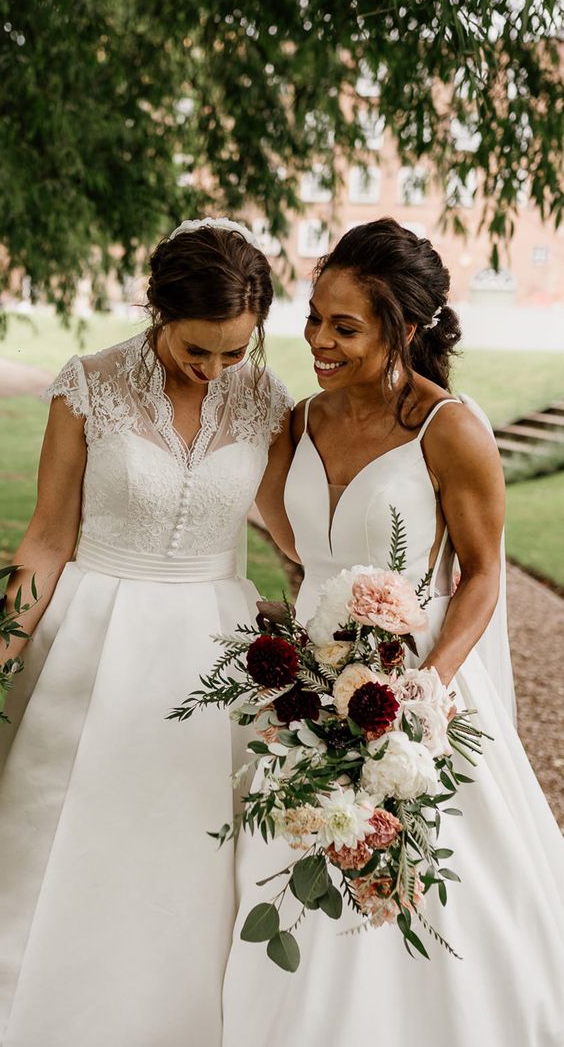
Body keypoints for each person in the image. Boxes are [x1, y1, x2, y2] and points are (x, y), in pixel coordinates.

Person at [0, 218, 294, 1047]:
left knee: (191, 850)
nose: (212, 370)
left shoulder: (269, 403)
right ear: (159, 311)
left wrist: (343, 637)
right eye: (196, 350)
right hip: (93, 638)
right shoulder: (86, 386)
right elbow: (47, 538)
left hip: (216, 649)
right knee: (57, 830)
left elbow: (288, 535)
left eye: (233, 352)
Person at [222, 219, 564, 1047]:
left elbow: (482, 575)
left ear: (404, 330)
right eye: (313, 319)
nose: (319, 342)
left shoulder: (448, 429)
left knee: (420, 873)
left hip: (416, 687)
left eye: (346, 327)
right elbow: (296, 546)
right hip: (307, 686)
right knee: (298, 858)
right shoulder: (298, 423)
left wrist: (426, 688)